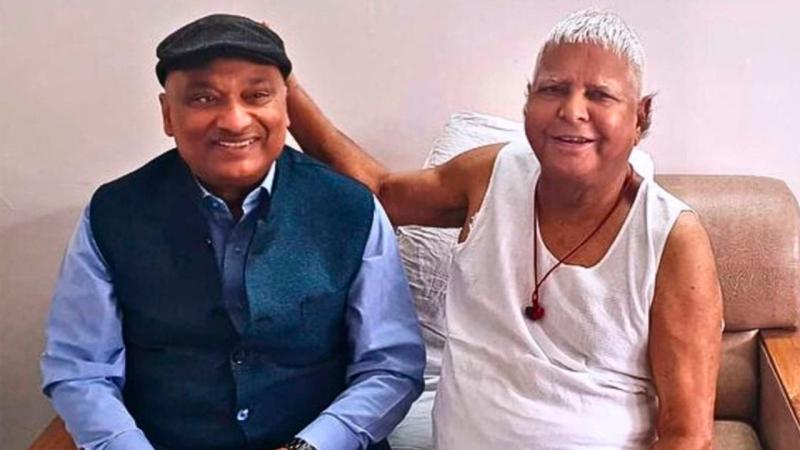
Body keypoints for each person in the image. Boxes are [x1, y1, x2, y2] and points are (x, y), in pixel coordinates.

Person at [285, 8, 722, 450]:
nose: (572, 110)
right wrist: (286, 90)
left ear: (640, 117)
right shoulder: (492, 173)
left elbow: (688, 436)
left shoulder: (672, 239)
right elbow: (380, 192)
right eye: (553, 89)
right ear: (528, 100)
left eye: (600, 95)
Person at [40, 14, 425, 450]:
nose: (235, 120)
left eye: (257, 95)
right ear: (168, 114)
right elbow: (82, 369)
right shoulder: (113, 212)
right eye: (204, 98)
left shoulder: (351, 208)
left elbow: (390, 365)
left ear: (286, 107)